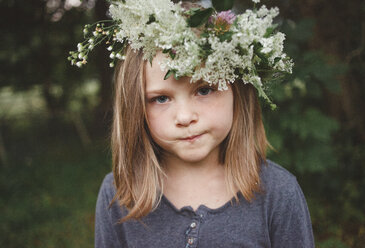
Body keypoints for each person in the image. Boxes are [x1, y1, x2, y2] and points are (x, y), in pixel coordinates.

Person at [70, 0, 315, 247]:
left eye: (204, 90)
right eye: (161, 98)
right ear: (135, 108)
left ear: (236, 92)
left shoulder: (278, 193)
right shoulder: (118, 194)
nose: (185, 117)